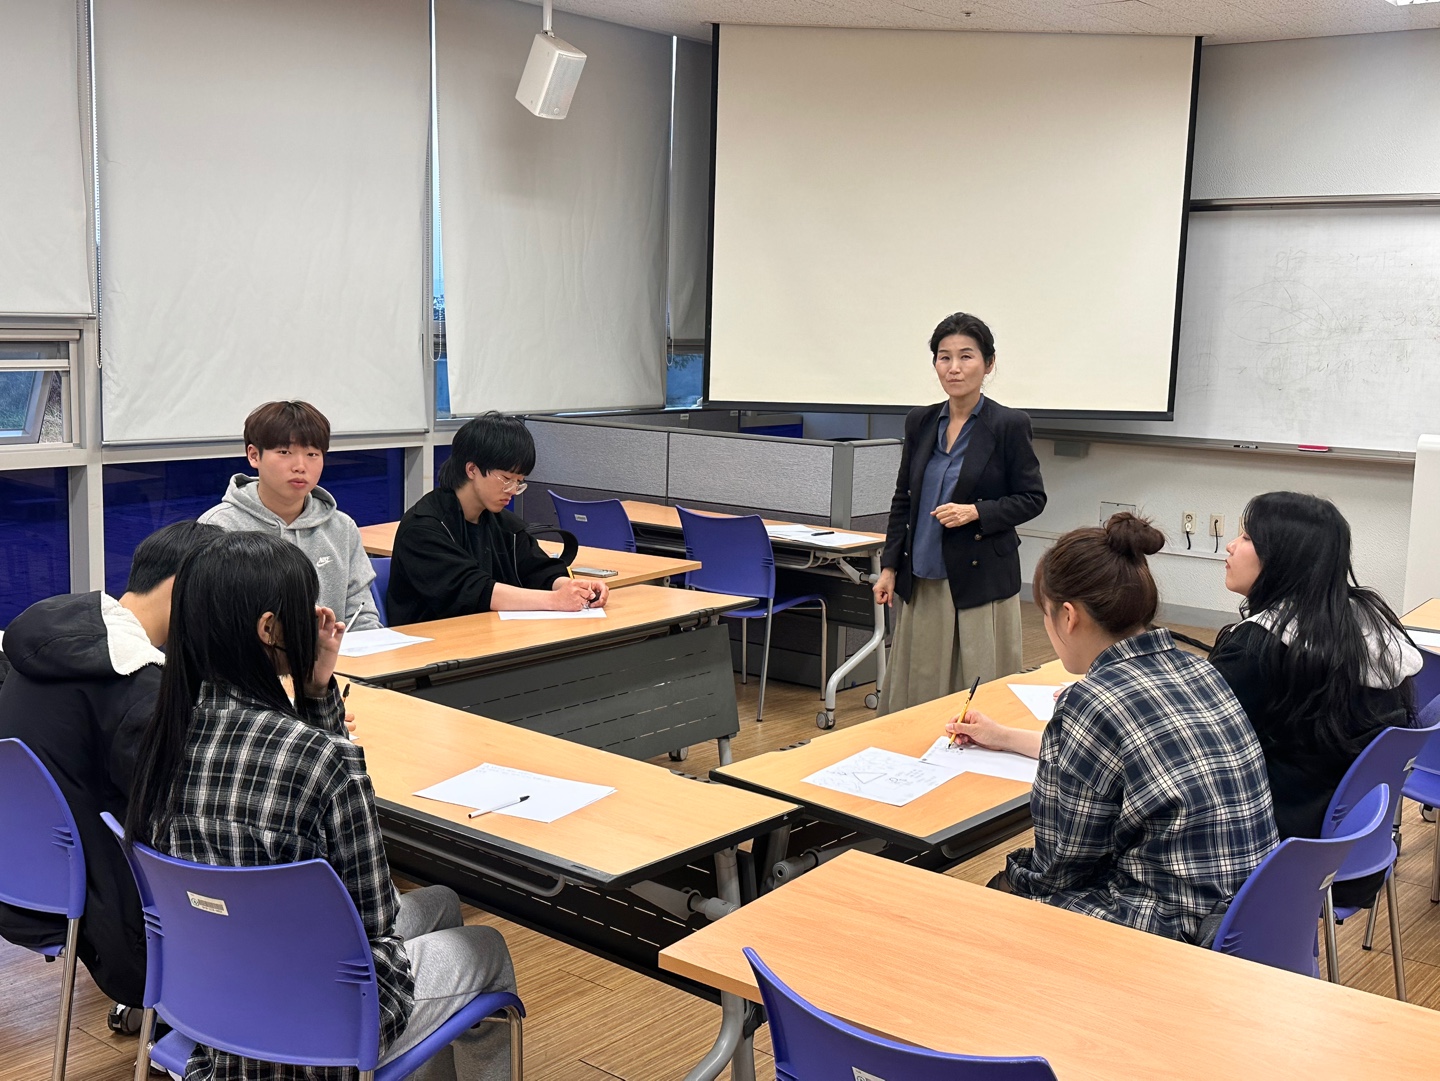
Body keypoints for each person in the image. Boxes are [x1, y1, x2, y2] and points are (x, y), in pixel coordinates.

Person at [124, 532, 516, 1081]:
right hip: (320, 1026)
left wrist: (314, 691)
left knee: (442, 903)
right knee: (486, 946)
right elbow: (376, 917)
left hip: (217, 1002)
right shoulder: (326, 761)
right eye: (303, 610)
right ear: (269, 629)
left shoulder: (164, 736)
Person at [946, 514, 1278, 943]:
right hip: (1250, 915)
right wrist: (1002, 736)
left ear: (1068, 616)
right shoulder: (1198, 669)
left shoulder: (1090, 701)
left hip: (1176, 936)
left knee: (986, 902)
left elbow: (1060, 868)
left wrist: (1010, 878)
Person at [0, 520, 222, 1020]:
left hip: (25, 871)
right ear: (183, 589)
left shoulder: (55, 640)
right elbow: (185, 810)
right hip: (111, 904)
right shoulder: (135, 687)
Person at [1210, 492, 1421, 842]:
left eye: (1247, 537)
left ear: (1284, 556)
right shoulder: (1369, 623)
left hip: (1269, 843)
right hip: (1350, 843)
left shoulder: (1257, 649)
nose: (1231, 546)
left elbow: (1195, 749)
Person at [875, 312, 1046, 714]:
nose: (954, 368)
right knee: (920, 682)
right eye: (944, 357)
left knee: (976, 687)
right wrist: (889, 566)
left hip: (979, 575)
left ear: (989, 364)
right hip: (922, 571)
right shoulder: (920, 421)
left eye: (966, 356)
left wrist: (977, 512)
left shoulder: (1008, 424)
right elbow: (904, 498)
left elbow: (1032, 498)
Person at [388, 411, 609, 624]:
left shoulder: (503, 524)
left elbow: (538, 569)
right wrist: (554, 600)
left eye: (519, 481)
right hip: (434, 641)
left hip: (490, 635)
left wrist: (573, 588)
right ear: (472, 469)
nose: (513, 490)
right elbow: (474, 591)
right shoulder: (423, 529)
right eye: (506, 478)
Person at [199, 399, 381, 630]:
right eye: (285, 452)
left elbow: (362, 616)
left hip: (338, 652)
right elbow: (208, 624)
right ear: (254, 455)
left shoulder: (341, 527)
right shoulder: (217, 527)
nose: (300, 466)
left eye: (312, 454)